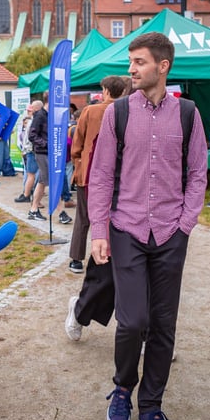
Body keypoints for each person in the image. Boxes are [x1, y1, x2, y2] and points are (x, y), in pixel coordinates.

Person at [86, 32, 207, 420]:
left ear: (163, 66)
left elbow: (197, 174)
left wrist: (186, 224)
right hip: (127, 229)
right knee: (133, 320)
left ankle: (151, 406)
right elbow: (100, 176)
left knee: (163, 325)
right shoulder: (117, 113)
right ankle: (122, 389)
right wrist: (99, 231)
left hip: (172, 231)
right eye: (131, 62)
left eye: (139, 62)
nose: (131, 69)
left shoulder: (189, 114)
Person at [67, 75, 128, 273]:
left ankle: (76, 258)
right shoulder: (126, 112)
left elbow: (78, 143)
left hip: (89, 174)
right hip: (119, 175)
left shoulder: (90, 111)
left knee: (84, 218)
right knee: (116, 217)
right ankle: (112, 255)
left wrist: (78, 162)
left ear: (107, 91)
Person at [27, 95, 72, 224]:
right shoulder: (40, 116)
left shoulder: (50, 116)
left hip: (51, 153)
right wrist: (47, 144)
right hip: (43, 153)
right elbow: (32, 135)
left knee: (42, 181)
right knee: (53, 182)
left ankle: (34, 209)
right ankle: (61, 213)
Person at [15, 101, 42, 203]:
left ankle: (26, 194)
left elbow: (27, 138)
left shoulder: (31, 122)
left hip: (29, 150)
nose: (28, 112)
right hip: (32, 151)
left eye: (29, 111)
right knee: (33, 174)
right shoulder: (34, 122)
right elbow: (30, 138)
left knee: (31, 174)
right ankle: (29, 195)